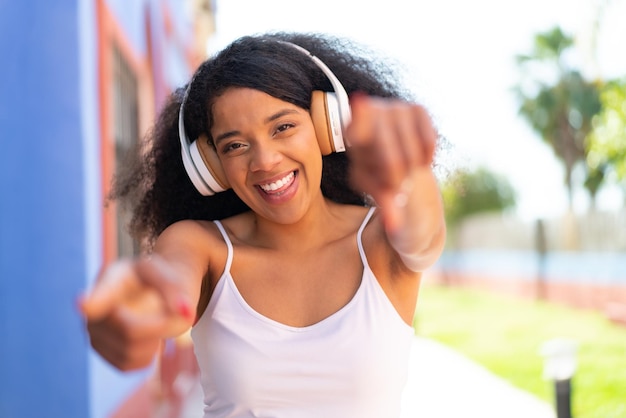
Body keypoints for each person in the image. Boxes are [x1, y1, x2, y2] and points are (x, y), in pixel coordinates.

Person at [80, 32, 446, 418]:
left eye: (283, 127)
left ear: (327, 126)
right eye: (235, 145)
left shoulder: (379, 240)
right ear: (213, 169)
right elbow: (167, 287)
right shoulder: (202, 246)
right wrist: (140, 307)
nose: (265, 161)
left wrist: (410, 175)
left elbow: (422, 237)